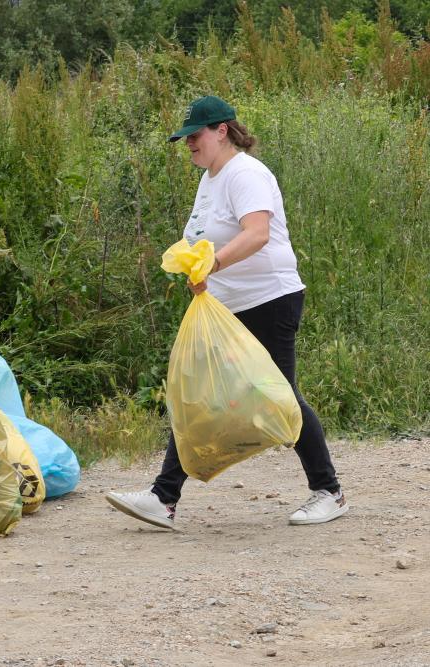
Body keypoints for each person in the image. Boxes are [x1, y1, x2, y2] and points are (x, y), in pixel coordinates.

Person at [105, 95, 347, 530]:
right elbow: (207, 238)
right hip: (225, 305)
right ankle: (163, 499)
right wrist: (195, 266)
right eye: (184, 139)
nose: (188, 144)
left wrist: (213, 264)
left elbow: (257, 234)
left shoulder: (245, 173)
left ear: (221, 131)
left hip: (269, 299)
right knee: (199, 393)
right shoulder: (212, 177)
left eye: (194, 136)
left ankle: (329, 491)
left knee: (283, 397)